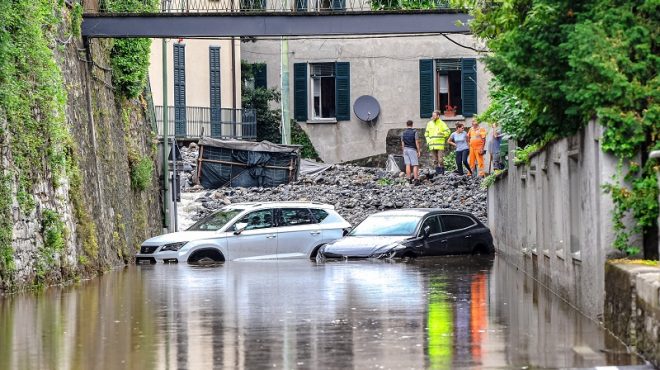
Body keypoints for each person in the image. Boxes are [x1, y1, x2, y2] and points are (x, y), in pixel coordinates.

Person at [424, 110, 451, 175]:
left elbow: (448, 132)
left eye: (434, 115)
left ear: (438, 116)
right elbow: (426, 134)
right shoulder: (429, 123)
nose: (433, 116)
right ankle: (437, 173)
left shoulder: (442, 123)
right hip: (432, 145)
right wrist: (428, 141)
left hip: (440, 145)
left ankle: (442, 173)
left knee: (440, 160)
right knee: (435, 161)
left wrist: (442, 134)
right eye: (432, 115)